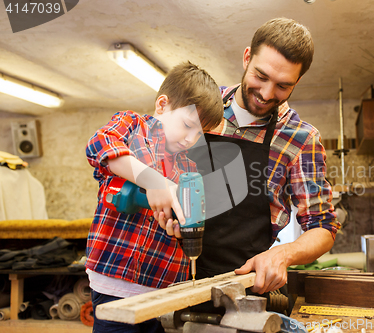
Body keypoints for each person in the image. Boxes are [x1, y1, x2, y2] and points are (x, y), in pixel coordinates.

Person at [165, 18, 340, 295]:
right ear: (247, 57)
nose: (266, 94)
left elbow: (322, 227)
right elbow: (149, 153)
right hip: (164, 276)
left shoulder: (301, 139)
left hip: (241, 286)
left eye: (283, 86)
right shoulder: (198, 105)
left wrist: (284, 254)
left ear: (298, 80)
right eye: (261, 76)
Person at [85, 61, 223, 332]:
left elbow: (185, 223)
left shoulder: (189, 169)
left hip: (162, 288)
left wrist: (179, 229)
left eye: (200, 133)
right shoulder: (133, 126)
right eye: (187, 125)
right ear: (162, 105)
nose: (191, 139)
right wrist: (153, 181)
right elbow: (99, 144)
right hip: (114, 280)